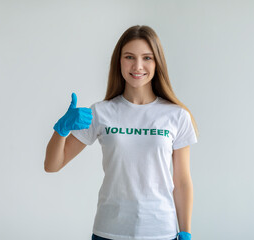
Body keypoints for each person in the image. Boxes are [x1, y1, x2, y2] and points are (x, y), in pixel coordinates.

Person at [44, 25, 199, 240]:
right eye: (129, 57)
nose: (138, 66)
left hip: (160, 231)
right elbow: (52, 165)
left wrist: (186, 231)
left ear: (157, 63)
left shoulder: (176, 115)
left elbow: (182, 181)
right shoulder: (100, 112)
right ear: (119, 61)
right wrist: (61, 129)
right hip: (109, 231)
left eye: (147, 58)